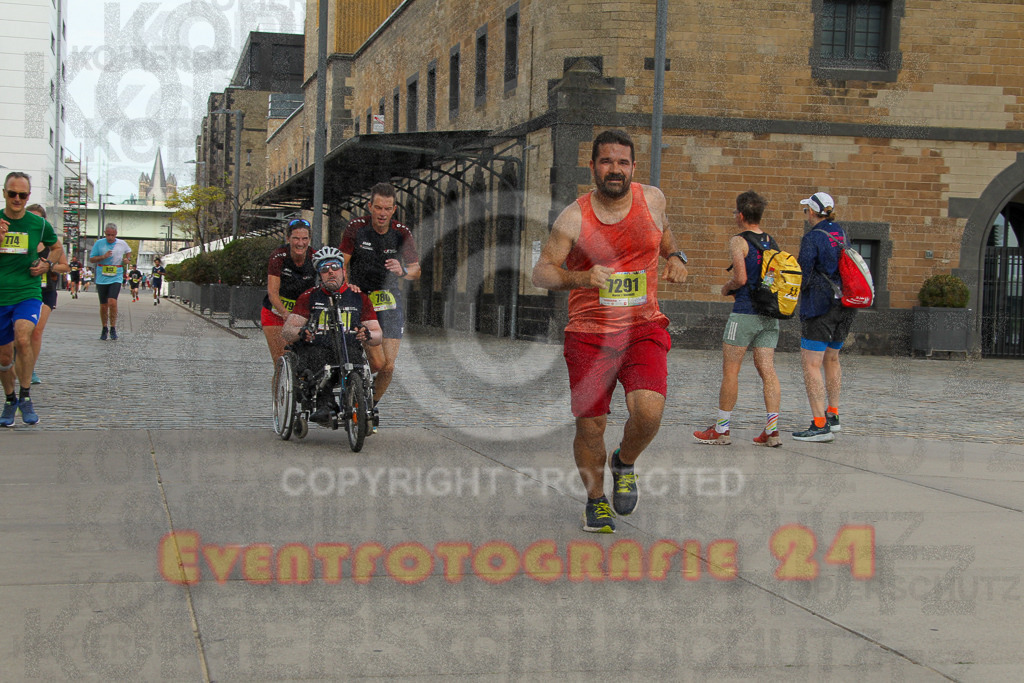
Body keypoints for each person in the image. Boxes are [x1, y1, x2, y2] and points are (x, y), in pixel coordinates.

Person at [531, 129, 689, 533]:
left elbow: (665, 233)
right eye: (606, 162)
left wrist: (676, 256)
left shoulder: (653, 199)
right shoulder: (574, 217)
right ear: (593, 168)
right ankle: (595, 500)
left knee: (649, 413)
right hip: (589, 333)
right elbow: (542, 272)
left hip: (643, 326)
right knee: (590, 426)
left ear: (633, 167)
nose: (614, 169)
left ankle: (625, 461)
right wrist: (583, 278)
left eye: (622, 162)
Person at [693, 191, 782, 447]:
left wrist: (726, 288)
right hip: (769, 316)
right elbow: (772, 278)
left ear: (741, 215)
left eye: (735, 213)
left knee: (731, 370)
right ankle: (772, 430)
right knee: (768, 370)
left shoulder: (738, 241)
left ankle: (721, 429)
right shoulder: (770, 241)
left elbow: (741, 278)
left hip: (744, 314)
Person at [340, 182, 420, 409]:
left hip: (388, 301)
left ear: (394, 209)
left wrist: (403, 271)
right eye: (378, 208)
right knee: (375, 362)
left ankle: (368, 408)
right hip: (359, 299)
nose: (382, 213)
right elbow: (341, 263)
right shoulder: (356, 228)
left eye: (387, 209)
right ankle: (353, 385)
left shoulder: (401, 233)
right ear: (370, 207)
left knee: (388, 366)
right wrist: (347, 286)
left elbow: (416, 270)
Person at [281, 246, 382, 425]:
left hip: (347, 348)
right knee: (318, 360)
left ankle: (359, 404)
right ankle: (325, 406)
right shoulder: (309, 297)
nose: (330, 272)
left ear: (343, 270)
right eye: (324, 269)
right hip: (317, 350)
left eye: (334, 267)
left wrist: (367, 334)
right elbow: (287, 331)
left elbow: (377, 335)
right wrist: (301, 333)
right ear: (319, 274)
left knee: (355, 360)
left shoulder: (359, 298)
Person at [792, 192, 855, 443]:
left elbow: (803, 275)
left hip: (820, 306)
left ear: (812, 212)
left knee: (811, 363)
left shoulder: (812, 238)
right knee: (832, 358)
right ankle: (833, 415)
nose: (806, 214)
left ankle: (819, 424)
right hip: (846, 304)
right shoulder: (840, 233)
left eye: (806, 209)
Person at [0, 172, 61, 426]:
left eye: (22, 195)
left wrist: (47, 264)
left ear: (28, 196)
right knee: (4, 358)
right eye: (12, 193)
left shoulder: (39, 224)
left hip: (28, 293)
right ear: (4, 193)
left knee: (24, 336)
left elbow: (57, 248)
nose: (17, 199)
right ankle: (10, 399)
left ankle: (25, 396)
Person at [263, 218, 317, 376]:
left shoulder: (314, 257)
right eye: (296, 238)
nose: (300, 243)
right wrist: (286, 314)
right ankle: (279, 399)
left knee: (305, 358)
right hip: (276, 312)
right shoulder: (278, 256)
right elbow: (272, 292)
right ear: (288, 239)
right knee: (281, 360)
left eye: (304, 239)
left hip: (301, 315)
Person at [24, 204, 69, 386]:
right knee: (18, 333)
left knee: (36, 331)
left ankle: (29, 369)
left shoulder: (51, 244)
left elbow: (65, 267)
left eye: (38, 218)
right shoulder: (21, 239)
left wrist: (49, 266)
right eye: (30, 217)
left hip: (46, 291)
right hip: (25, 289)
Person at [88, 223, 132, 340]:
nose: (110, 237)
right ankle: (104, 327)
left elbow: (129, 251)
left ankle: (113, 327)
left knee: (112, 302)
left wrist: (128, 259)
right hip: (102, 277)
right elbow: (92, 259)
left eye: (112, 235)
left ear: (116, 234)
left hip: (116, 276)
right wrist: (103, 256)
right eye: (108, 235)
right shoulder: (99, 243)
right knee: (103, 306)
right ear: (105, 234)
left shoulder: (121, 243)